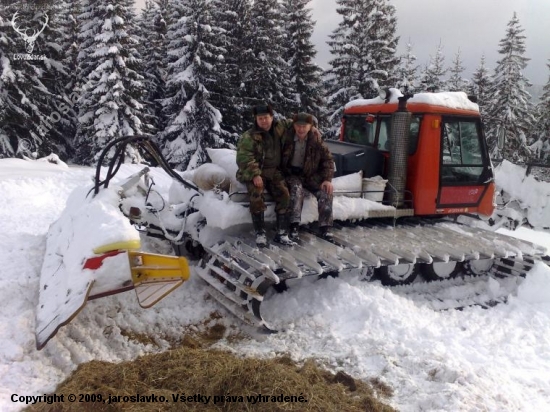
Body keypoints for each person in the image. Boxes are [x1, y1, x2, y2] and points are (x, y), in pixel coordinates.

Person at [236, 103, 295, 248]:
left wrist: (310, 124)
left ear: (272, 117)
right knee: (256, 194)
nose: (263, 121)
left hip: (274, 171)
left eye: (266, 118)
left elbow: (296, 122)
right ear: (256, 119)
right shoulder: (249, 136)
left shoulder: (279, 127)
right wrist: (255, 174)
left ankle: (281, 232)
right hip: (255, 171)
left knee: (284, 194)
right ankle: (260, 233)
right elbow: (244, 158)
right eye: (260, 118)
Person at [281, 112, 335, 241]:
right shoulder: (286, 138)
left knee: (326, 191)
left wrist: (327, 179)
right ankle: (294, 225)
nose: (301, 129)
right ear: (294, 126)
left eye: (304, 126)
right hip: (291, 174)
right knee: (296, 189)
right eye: (298, 126)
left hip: (311, 175)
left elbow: (328, 160)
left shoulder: (316, 140)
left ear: (310, 127)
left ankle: (325, 227)